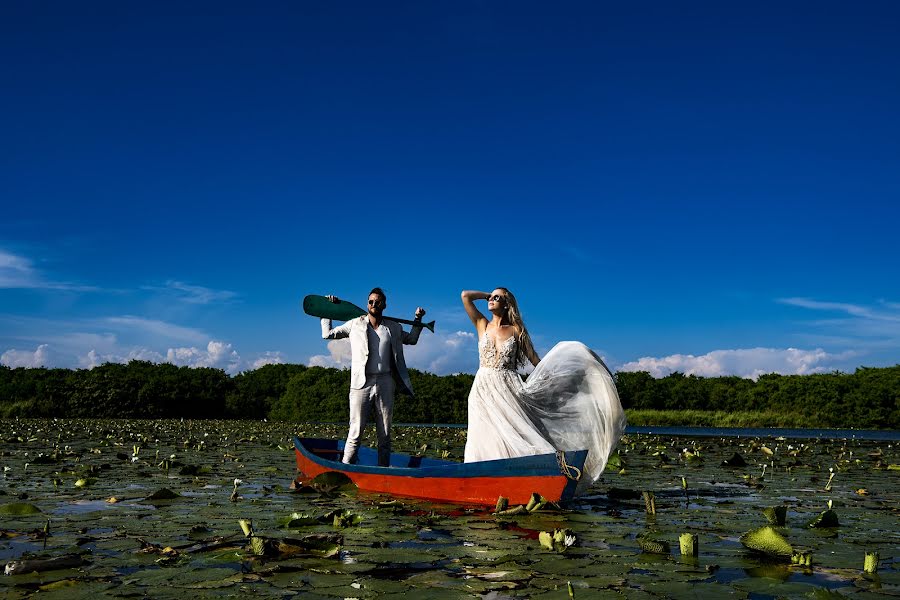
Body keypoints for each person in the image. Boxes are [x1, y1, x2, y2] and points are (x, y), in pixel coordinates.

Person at [460, 287, 626, 491]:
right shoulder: (481, 324)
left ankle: (531, 476)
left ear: (507, 303)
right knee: (484, 433)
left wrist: (555, 380)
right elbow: (465, 296)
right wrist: (487, 295)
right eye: (491, 297)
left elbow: (535, 361)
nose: (492, 300)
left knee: (515, 430)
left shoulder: (516, 330)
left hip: (508, 387)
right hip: (482, 387)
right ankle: (482, 479)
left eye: (498, 297)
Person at [321, 288, 426, 466]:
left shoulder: (393, 327)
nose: (374, 304)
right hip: (361, 383)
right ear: (367, 304)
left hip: (385, 382)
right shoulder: (354, 324)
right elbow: (327, 334)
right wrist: (326, 310)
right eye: (371, 301)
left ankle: (383, 471)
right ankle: (346, 468)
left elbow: (412, 339)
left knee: (384, 433)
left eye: (377, 302)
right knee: (355, 431)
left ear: (384, 305)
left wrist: (418, 320)